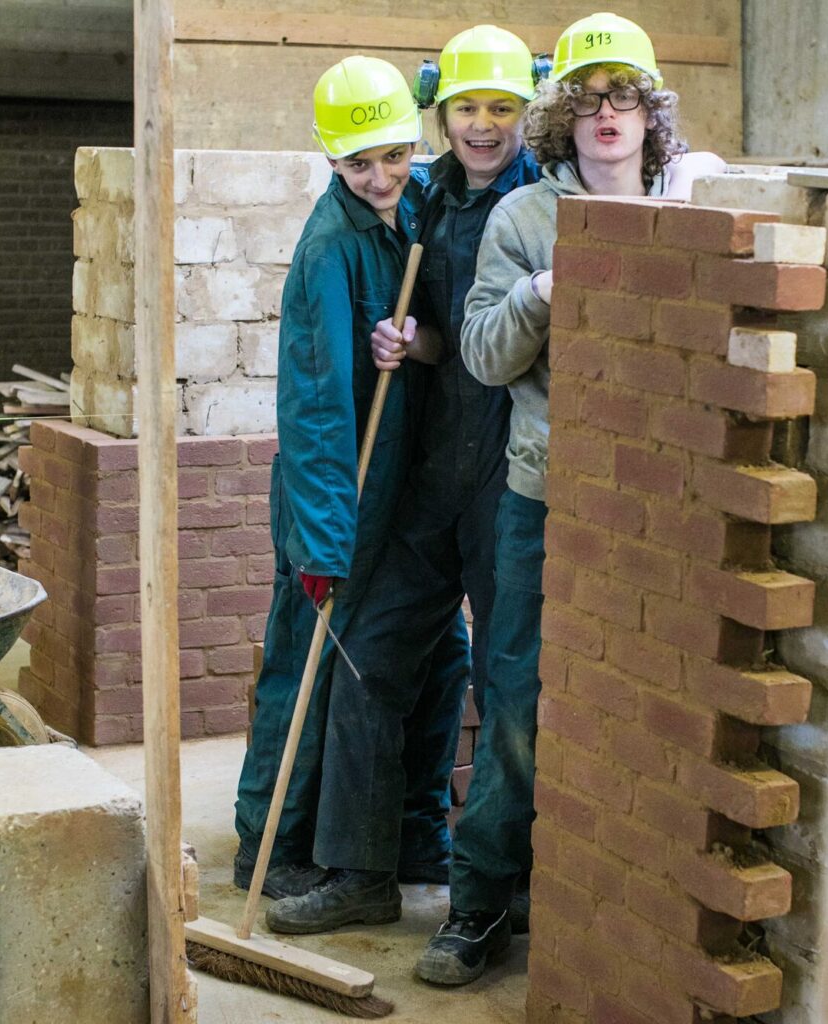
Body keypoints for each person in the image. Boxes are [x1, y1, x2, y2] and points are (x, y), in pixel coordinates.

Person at [415, 12, 727, 985]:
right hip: (539, 494)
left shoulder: (683, 203)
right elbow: (480, 353)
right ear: (565, 117)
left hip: (654, 510)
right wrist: (542, 289)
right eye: (587, 98)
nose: (605, 113)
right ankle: (479, 906)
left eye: (622, 95)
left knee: (642, 701)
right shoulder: (521, 220)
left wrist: (693, 196)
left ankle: (593, 887)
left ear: (649, 113)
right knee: (512, 699)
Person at [263, 25, 545, 936]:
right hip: (430, 474)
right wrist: (409, 342)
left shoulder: (543, 204)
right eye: (468, 107)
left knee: (506, 686)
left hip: (507, 479)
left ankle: (496, 889)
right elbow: (434, 335)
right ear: (444, 113)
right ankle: (363, 871)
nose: (484, 124)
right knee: (371, 660)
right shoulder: (426, 203)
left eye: (501, 107)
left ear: (525, 112)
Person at [233, 55, 471, 902]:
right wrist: (323, 542)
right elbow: (320, 407)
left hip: (405, 490)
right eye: (357, 164)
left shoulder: (414, 206)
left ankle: (412, 834)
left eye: (394, 156)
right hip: (335, 500)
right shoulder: (330, 250)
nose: (379, 177)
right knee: (307, 669)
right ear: (330, 161)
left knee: (442, 654)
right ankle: (269, 842)